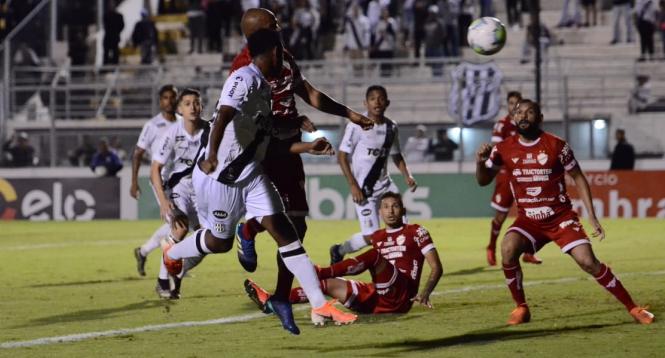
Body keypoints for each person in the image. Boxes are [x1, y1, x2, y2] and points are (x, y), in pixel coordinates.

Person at [162, 29, 357, 335]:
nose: (284, 57)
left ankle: (319, 303)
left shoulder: (265, 86)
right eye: (280, 51)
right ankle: (171, 254)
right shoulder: (244, 78)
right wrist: (212, 153)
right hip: (221, 179)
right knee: (220, 242)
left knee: (287, 233)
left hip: (250, 175)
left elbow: (268, 133)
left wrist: (303, 139)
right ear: (269, 54)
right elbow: (224, 115)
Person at [228, 7, 373, 325]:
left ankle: (280, 294)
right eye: (272, 24)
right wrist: (295, 127)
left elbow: (307, 91)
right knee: (283, 224)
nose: (280, 26)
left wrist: (349, 113)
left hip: (289, 149)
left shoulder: (285, 56)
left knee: (299, 226)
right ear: (256, 32)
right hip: (264, 151)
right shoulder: (243, 69)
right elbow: (253, 126)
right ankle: (249, 229)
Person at [476, 99, 654, 325]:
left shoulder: (556, 145)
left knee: (588, 261)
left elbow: (579, 177)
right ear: (513, 118)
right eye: (519, 112)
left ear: (540, 118)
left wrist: (591, 215)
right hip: (528, 220)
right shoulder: (503, 149)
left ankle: (634, 308)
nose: (523, 116)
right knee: (508, 248)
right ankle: (521, 307)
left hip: (561, 218)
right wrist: (480, 163)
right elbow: (483, 181)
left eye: (529, 112)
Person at [245, 192, 443, 315]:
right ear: (380, 212)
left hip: (402, 293)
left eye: (395, 206)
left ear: (403, 210)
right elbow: (357, 245)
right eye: (386, 207)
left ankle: (321, 271)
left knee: (373, 256)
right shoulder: (377, 236)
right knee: (322, 286)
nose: (390, 211)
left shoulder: (416, 231)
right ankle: (272, 302)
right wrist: (340, 249)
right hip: (379, 297)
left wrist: (425, 293)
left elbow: (436, 267)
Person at [329, 85, 417, 264]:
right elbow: (342, 156)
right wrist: (353, 185)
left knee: (402, 228)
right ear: (365, 103)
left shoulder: (392, 127)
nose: (377, 102)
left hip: (386, 186)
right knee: (372, 237)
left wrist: (407, 175)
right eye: (372, 98)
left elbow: (396, 154)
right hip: (364, 189)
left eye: (381, 98)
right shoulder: (356, 125)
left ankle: (399, 267)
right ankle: (340, 250)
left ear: (387, 103)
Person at [150, 88, 207, 299]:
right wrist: (164, 202)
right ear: (180, 109)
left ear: (201, 106)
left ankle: (179, 270)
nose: (193, 107)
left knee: (209, 240)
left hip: (204, 192)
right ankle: (163, 280)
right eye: (187, 103)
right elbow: (155, 169)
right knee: (180, 229)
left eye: (196, 102)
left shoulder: (210, 131)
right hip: (179, 189)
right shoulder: (172, 133)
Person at [485, 91, 541, 266]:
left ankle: (528, 252)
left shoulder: (527, 125)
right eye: (510, 103)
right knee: (500, 217)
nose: (513, 107)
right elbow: (496, 150)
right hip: (506, 176)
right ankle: (491, 247)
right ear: (507, 105)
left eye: (517, 104)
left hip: (524, 175)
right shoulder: (501, 126)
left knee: (532, 214)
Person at [131, 85, 179, 277]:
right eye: (165, 97)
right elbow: (137, 154)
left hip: (182, 181)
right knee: (177, 224)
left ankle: (143, 252)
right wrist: (134, 182)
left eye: (172, 97)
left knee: (178, 224)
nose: (169, 101)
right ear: (160, 101)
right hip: (161, 181)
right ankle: (168, 273)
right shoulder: (152, 126)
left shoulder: (184, 122)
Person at [103, 0, 124, 65]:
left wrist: (116, 32)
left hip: (115, 37)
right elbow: (105, 26)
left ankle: (115, 67)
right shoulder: (106, 15)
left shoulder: (119, 16)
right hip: (108, 37)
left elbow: (122, 26)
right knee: (106, 53)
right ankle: (106, 67)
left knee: (115, 53)